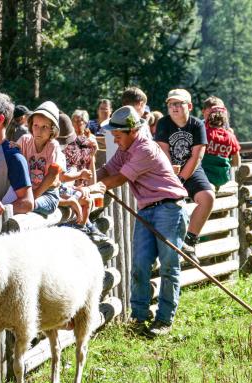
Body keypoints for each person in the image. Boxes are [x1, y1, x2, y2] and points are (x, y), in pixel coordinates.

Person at [96, 105, 189, 337]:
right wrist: (85, 181)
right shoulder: (125, 149)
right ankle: (138, 317)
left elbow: (118, 178)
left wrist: (96, 186)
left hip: (169, 208)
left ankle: (164, 320)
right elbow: (107, 170)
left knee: (169, 265)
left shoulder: (145, 148)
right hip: (147, 209)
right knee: (139, 264)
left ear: (132, 132)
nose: (116, 141)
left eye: (118, 136)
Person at [155, 88, 215, 262]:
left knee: (208, 197)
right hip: (168, 171)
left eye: (178, 104)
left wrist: (181, 178)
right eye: (171, 104)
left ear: (189, 105)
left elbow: (197, 156)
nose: (174, 107)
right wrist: (172, 177)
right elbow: (163, 151)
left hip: (191, 170)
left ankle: (190, 240)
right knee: (167, 205)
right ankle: (165, 247)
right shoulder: (164, 123)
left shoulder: (197, 124)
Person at [14, 101, 63, 216]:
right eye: (36, 125)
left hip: (47, 194)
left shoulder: (53, 146)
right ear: (31, 125)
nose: (39, 131)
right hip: (26, 192)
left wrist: (33, 196)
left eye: (44, 127)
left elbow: (52, 174)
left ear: (52, 129)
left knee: (26, 206)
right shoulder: (25, 140)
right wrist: (11, 149)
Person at [105, 86, 153, 162]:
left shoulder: (110, 125)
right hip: (132, 169)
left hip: (112, 167)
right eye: (144, 107)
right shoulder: (141, 126)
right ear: (141, 104)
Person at [201, 106, 241, 188]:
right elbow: (237, 162)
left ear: (209, 118)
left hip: (205, 177)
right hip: (223, 178)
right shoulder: (231, 137)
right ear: (225, 120)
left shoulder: (204, 133)